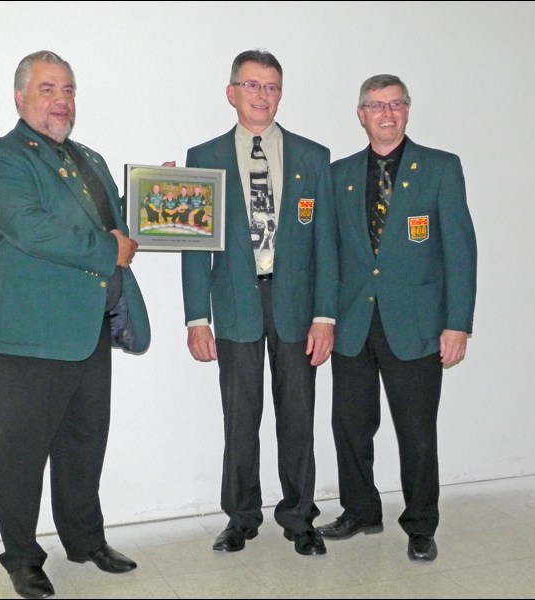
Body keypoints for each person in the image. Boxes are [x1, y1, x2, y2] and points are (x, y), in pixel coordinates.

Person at [0, 50, 151, 599]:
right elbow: (31, 230)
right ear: (20, 96)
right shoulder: (0, 158)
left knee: (83, 442)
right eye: (49, 88)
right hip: (30, 332)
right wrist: (109, 246)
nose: (62, 100)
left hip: (88, 327)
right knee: (23, 451)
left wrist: (159, 201)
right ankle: (22, 557)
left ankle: (85, 539)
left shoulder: (89, 157)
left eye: (69, 89)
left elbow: (112, 223)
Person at [181, 49, 338, 557]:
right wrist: (196, 316)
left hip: (295, 305)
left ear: (280, 94)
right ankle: (240, 518)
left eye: (270, 87)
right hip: (233, 305)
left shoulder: (314, 158)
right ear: (232, 93)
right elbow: (193, 244)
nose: (261, 96)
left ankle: (300, 518)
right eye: (251, 86)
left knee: (298, 416)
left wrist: (325, 314)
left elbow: (326, 245)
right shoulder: (203, 158)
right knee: (239, 417)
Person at [316, 74, 477, 562]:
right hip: (353, 323)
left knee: (416, 430)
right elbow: (328, 253)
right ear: (360, 114)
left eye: (395, 104)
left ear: (407, 110)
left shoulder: (441, 168)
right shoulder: (338, 175)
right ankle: (360, 510)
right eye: (375, 105)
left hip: (418, 325)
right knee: (350, 424)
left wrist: (458, 322)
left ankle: (421, 524)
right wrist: (323, 316)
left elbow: (461, 252)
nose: (386, 114)